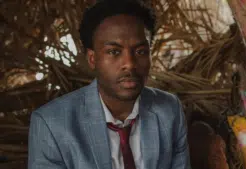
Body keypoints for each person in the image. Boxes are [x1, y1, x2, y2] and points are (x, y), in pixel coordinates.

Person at [28, 0, 190, 169]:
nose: (130, 63)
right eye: (114, 52)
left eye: (140, 51)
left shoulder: (169, 111)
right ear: (92, 59)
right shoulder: (51, 124)